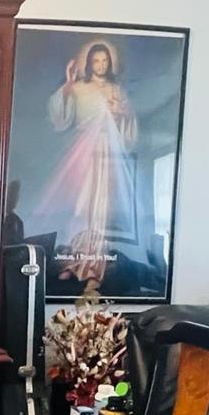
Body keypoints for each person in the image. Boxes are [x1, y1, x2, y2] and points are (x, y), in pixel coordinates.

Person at [38, 41, 137, 291]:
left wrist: (121, 114)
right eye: (96, 61)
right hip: (83, 151)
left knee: (101, 211)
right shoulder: (79, 88)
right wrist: (69, 83)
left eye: (105, 61)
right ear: (89, 63)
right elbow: (60, 117)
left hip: (108, 155)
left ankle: (95, 269)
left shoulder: (117, 90)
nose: (101, 65)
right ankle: (73, 263)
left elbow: (129, 131)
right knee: (79, 207)